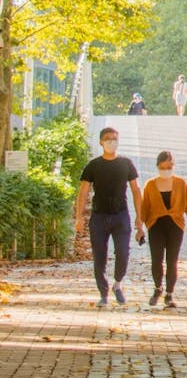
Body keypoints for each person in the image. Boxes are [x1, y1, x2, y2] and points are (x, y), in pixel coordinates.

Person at [74, 127, 144, 306]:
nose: (112, 142)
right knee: (99, 255)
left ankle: (118, 284)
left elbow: (136, 190)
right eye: (108, 139)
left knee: (123, 252)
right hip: (99, 216)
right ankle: (103, 293)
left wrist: (139, 217)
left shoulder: (126, 164)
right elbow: (83, 191)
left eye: (115, 139)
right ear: (101, 142)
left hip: (121, 215)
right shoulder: (94, 165)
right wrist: (79, 216)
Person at [139, 151, 187, 307]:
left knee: (172, 261)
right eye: (163, 167)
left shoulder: (181, 183)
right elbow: (144, 209)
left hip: (175, 225)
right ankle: (158, 288)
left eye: (169, 167)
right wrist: (139, 228)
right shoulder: (150, 185)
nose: (166, 170)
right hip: (156, 226)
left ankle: (169, 294)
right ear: (158, 166)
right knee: (156, 260)